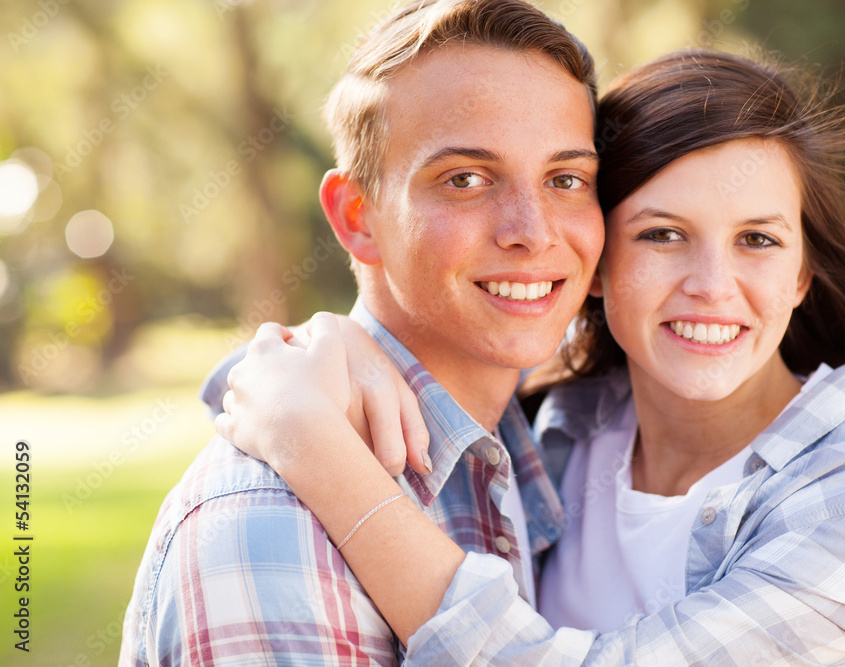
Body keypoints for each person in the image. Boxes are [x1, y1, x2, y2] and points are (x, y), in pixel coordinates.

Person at [216, 49, 845, 664]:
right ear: (600, 259)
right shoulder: (561, 435)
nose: (712, 287)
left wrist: (310, 443)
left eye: (759, 239)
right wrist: (340, 342)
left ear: (803, 273)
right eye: (662, 234)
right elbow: (425, 325)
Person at [119, 0, 606, 663]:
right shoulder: (276, 529)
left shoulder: (536, 446)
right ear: (356, 216)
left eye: (567, 179)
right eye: (465, 179)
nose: (533, 228)